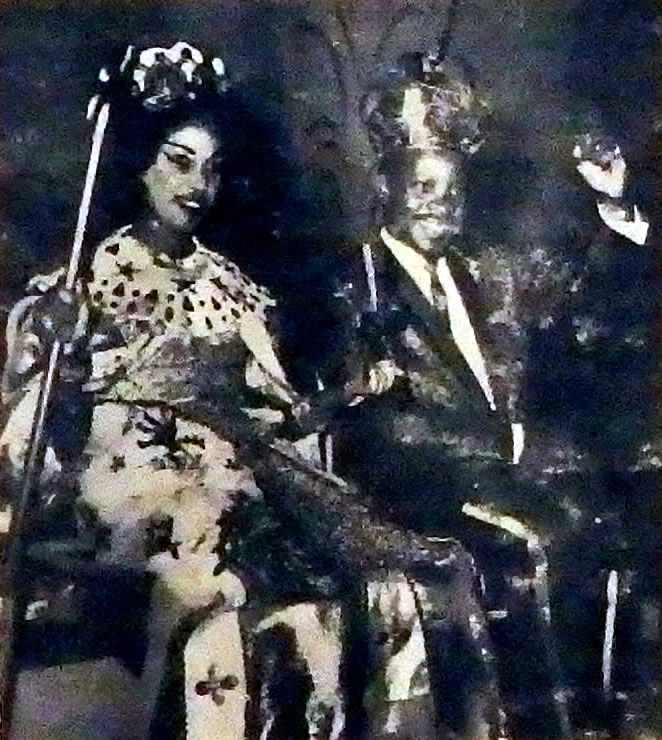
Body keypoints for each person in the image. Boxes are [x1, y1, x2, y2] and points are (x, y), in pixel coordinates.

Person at [0, 42, 317, 740]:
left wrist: (301, 420)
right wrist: (61, 354)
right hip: (129, 495)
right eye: (179, 161)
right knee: (201, 582)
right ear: (141, 165)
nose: (198, 184)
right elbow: (31, 432)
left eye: (213, 167)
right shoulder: (89, 280)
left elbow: (274, 404)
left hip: (235, 482)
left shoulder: (230, 287)